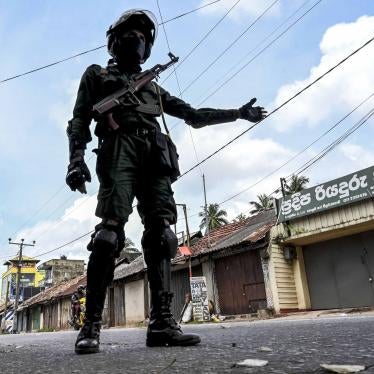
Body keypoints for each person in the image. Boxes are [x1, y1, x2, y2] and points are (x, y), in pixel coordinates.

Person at [66, 9, 267, 355]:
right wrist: (75, 160)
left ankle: (161, 322)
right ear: (114, 42)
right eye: (131, 34)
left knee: (162, 233)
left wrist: (237, 113)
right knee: (109, 233)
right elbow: (80, 118)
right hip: (119, 148)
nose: (138, 40)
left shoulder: (154, 90)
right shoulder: (97, 74)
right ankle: (91, 325)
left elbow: (194, 116)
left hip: (155, 153)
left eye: (143, 37)